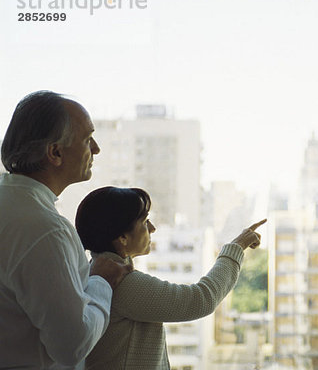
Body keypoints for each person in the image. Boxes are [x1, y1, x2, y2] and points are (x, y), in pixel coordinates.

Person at [0, 91, 132, 369]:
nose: (96, 149)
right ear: (55, 152)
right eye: (87, 139)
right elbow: (72, 346)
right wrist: (101, 281)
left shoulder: (10, 203)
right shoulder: (44, 229)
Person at [75, 185, 266, 369]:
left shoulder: (95, 274)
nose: (152, 228)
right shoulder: (123, 284)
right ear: (122, 237)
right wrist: (236, 248)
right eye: (144, 221)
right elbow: (200, 299)